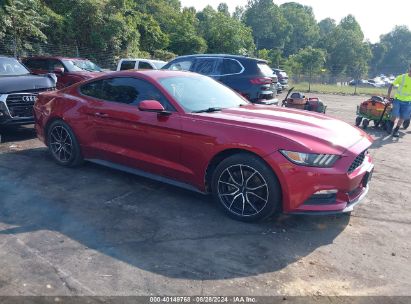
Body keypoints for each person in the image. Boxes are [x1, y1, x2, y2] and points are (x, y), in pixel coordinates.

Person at [387, 64, 411, 137]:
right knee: (394, 115)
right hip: (398, 100)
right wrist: (388, 95)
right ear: (409, 69)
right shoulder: (402, 77)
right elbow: (391, 85)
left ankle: (396, 131)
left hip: (407, 102)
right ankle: (390, 127)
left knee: (402, 117)